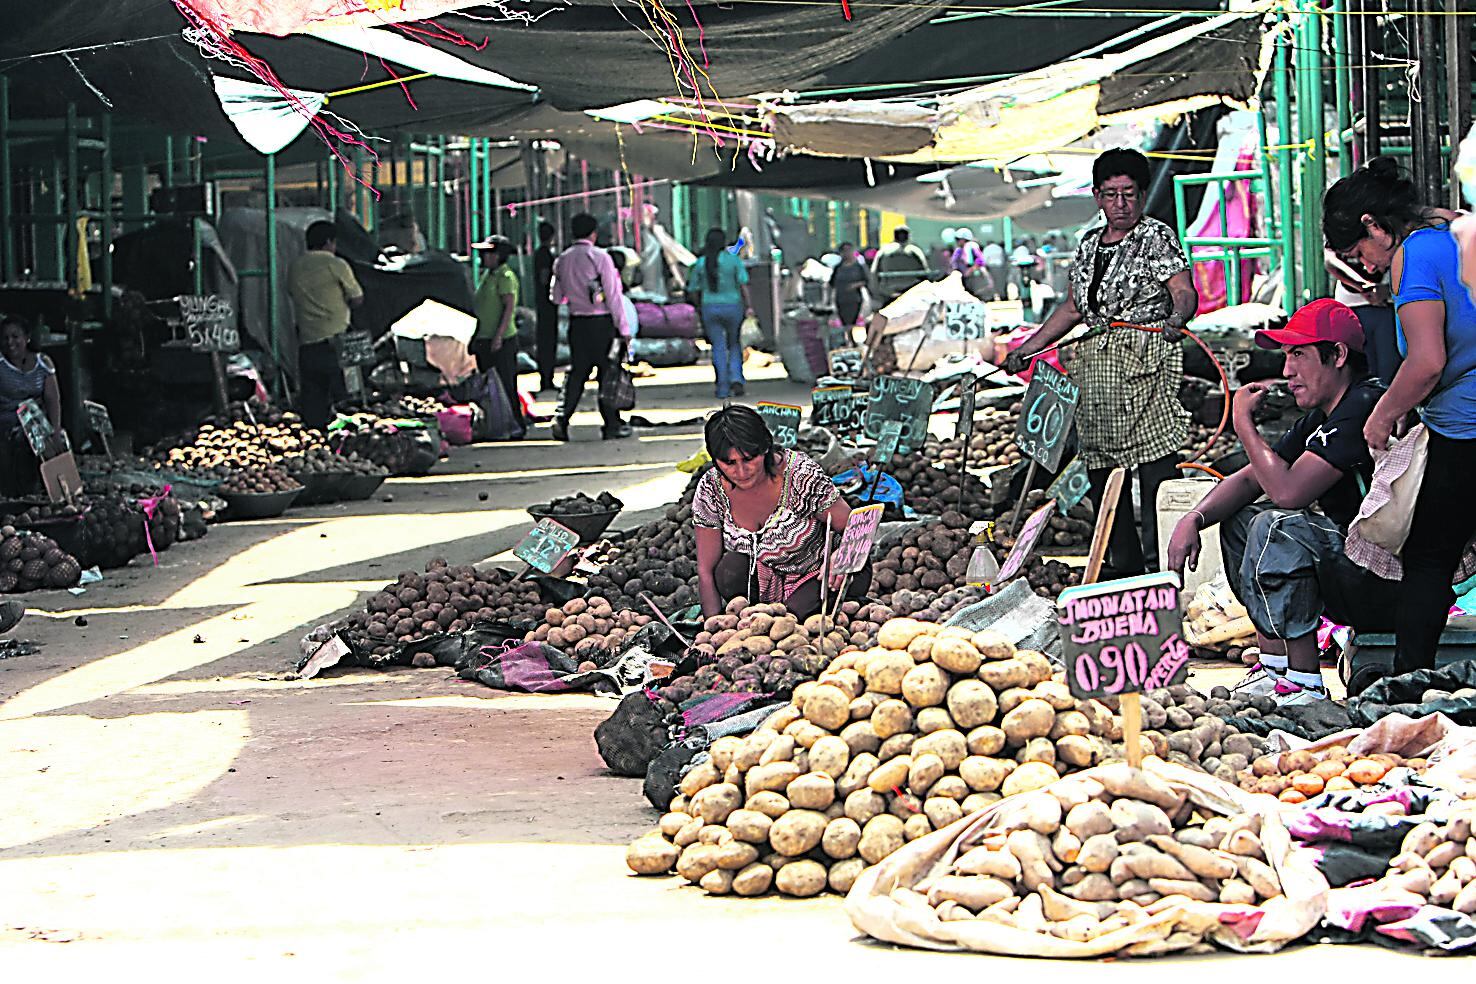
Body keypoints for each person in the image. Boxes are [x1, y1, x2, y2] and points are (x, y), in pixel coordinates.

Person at [1167, 300, 1389, 705]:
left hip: (1386, 576)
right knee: (1241, 519)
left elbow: (1289, 493)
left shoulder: (1362, 404)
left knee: (1277, 525)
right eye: (1286, 356)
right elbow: (1254, 477)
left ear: (1338, 355)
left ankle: (1303, 683)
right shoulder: (1320, 417)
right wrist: (1194, 518)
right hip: (1352, 570)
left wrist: (1243, 426)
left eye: (1299, 355)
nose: (1287, 371)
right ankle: (1274, 670)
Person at [1006, 148, 1199, 577]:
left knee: (1156, 471)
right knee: (1102, 472)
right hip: (1096, 371)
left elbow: (1184, 291)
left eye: (1129, 193)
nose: (1121, 204)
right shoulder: (1089, 245)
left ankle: (1163, 570)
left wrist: (1177, 317)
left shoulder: (1156, 237)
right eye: (1111, 194)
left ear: (1143, 194)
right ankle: (1121, 566)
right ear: (1097, 196)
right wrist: (1026, 348)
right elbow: (1072, 309)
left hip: (1146, 364)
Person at [1323, 157, 1475, 674]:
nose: (1364, 267)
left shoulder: (1414, 256)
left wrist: (1382, 415)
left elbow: (1427, 362)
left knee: (1430, 559)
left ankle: (1412, 682)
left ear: (1373, 225)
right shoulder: (1453, 230)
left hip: (1466, 427)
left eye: (1358, 251)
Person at [693, 406, 867, 620]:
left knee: (794, 618)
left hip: (822, 575)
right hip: (767, 585)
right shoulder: (711, 490)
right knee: (730, 569)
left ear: (765, 448)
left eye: (749, 459)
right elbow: (706, 571)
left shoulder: (800, 476)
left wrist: (841, 557)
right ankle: (759, 618)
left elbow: (859, 527)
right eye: (729, 463)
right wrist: (712, 628)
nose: (741, 471)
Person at [549, 213, 632, 441]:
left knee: (578, 373)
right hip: (601, 323)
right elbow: (613, 296)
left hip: (577, 323)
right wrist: (624, 329)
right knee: (608, 373)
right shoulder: (600, 257)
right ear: (593, 233)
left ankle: (562, 418)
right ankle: (611, 424)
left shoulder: (562, 260)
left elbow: (556, 297)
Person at [288, 220, 363, 430]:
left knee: (313, 401)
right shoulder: (336, 264)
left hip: (307, 342)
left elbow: (292, 293)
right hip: (336, 341)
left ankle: (317, 440)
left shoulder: (295, 267)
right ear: (330, 241)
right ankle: (346, 444)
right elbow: (357, 298)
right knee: (345, 399)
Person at [0, 315, 62, 496]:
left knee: (54, 445)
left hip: (36, 425)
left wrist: (55, 430)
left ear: (26, 338)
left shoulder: (43, 363)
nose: (10, 342)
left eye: (15, 337)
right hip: (7, 424)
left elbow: (52, 399)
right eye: (5, 338)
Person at [688, 228, 752, 400]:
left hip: (710, 307)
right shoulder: (733, 261)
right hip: (733, 306)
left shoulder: (701, 263)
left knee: (718, 346)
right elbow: (743, 285)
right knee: (734, 344)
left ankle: (722, 388)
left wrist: (699, 305)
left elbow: (693, 288)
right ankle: (736, 378)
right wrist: (749, 306)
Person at [470, 235, 523, 430]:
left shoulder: (505, 276)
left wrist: (498, 336)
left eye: (488, 253)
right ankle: (495, 425)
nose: (484, 257)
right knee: (487, 387)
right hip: (484, 338)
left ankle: (516, 424)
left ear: (498, 255)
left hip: (502, 340)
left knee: (507, 384)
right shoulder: (488, 275)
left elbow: (508, 308)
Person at [869, 225, 930, 307]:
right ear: (908, 236)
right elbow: (926, 272)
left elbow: (873, 272)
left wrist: (877, 293)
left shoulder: (883, 251)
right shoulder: (915, 251)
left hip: (889, 292)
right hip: (912, 291)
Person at [533, 220, 560, 394]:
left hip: (541, 304)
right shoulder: (546, 256)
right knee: (548, 341)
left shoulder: (538, 254)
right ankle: (547, 378)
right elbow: (545, 278)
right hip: (548, 305)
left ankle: (546, 377)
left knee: (543, 341)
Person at [831, 242, 868, 327]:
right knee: (844, 323)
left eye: (849, 250)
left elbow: (866, 281)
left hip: (854, 300)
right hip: (841, 300)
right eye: (844, 251)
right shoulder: (838, 268)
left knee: (853, 323)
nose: (847, 253)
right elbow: (832, 284)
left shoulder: (858, 267)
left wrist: (855, 285)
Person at [951, 229, 993, 300]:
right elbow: (954, 262)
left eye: (958, 239)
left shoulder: (972, 246)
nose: (957, 241)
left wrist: (971, 269)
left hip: (975, 276)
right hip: (965, 277)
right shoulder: (958, 250)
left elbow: (981, 260)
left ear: (964, 239)